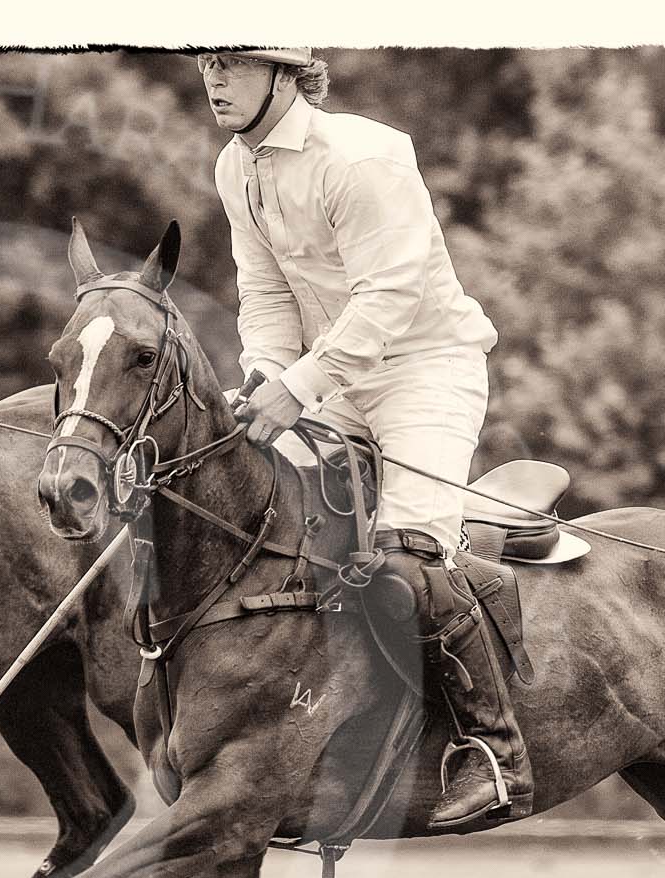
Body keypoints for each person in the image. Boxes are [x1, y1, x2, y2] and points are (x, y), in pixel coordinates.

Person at [199, 49, 531, 828]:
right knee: (251, 523)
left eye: (235, 64)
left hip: (422, 370)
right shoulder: (233, 167)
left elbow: (389, 297)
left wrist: (299, 386)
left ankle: (494, 750)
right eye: (208, 63)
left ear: (286, 78)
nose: (214, 79)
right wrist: (264, 373)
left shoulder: (364, 156)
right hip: (326, 377)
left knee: (400, 565)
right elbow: (265, 290)